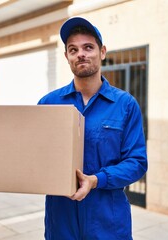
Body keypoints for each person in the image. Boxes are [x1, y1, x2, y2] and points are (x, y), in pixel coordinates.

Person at [38, 17, 148, 240]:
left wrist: (96, 180)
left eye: (88, 47)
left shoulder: (125, 105)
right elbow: (33, 155)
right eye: (73, 49)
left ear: (102, 52)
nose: (81, 54)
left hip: (108, 225)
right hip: (61, 224)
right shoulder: (49, 103)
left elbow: (137, 163)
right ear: (67, 57)